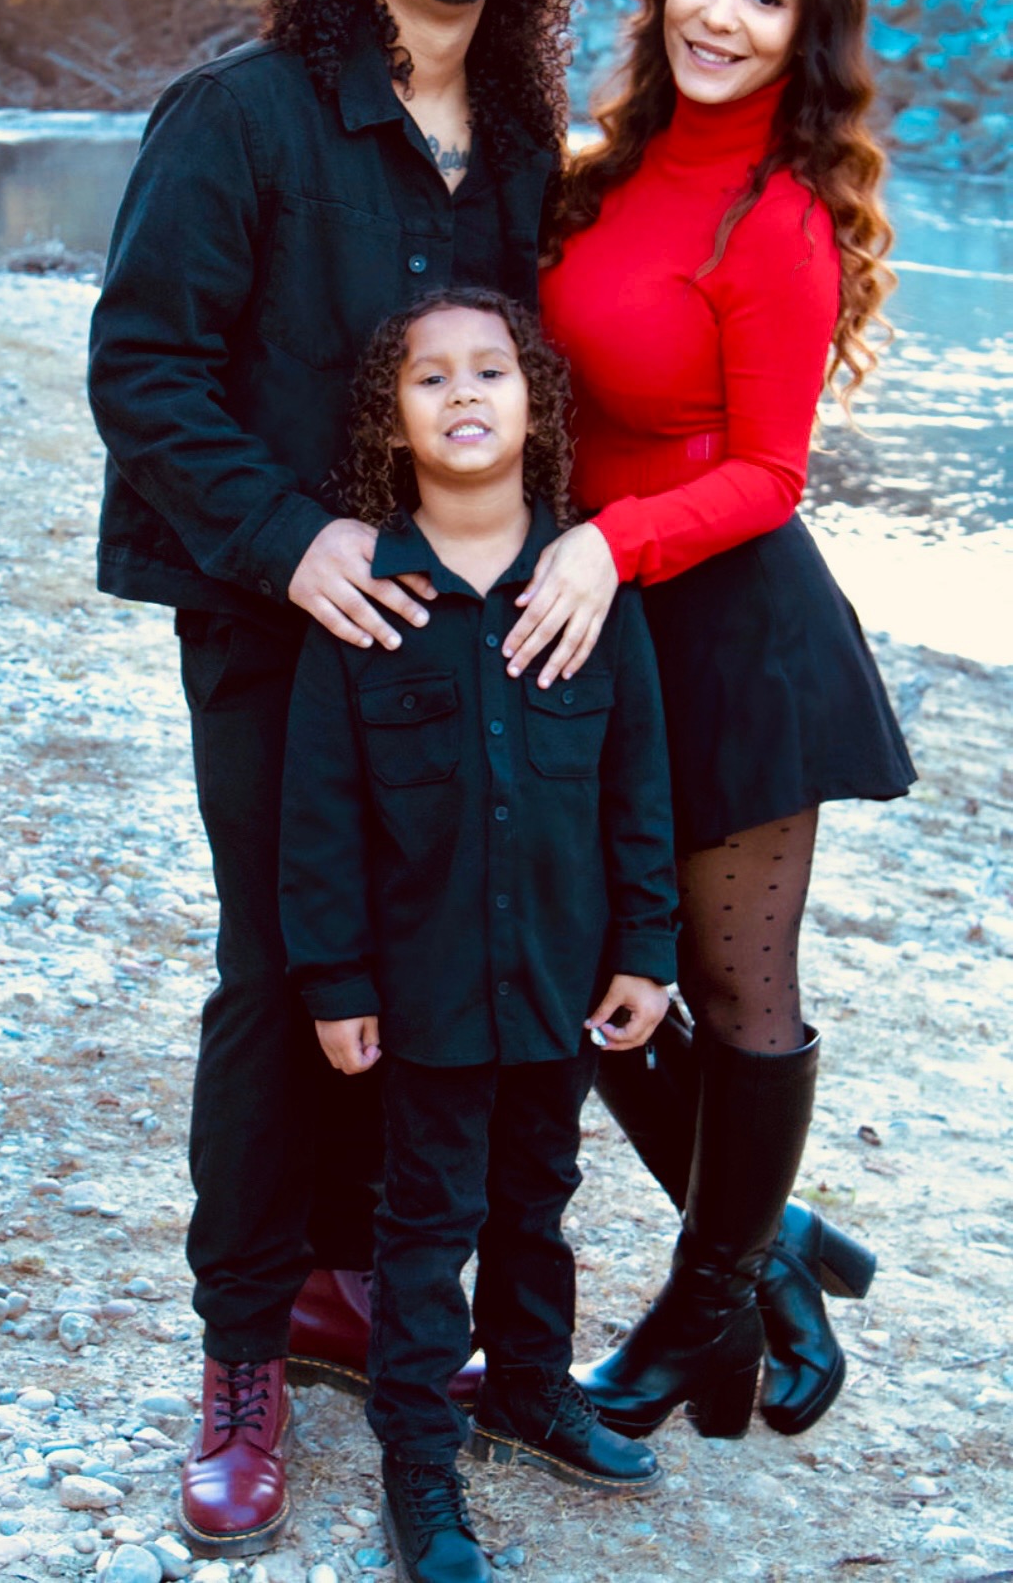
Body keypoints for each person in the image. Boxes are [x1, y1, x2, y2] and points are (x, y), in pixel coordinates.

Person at [86, 0, 629, 1556]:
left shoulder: (525, 143)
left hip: (455, 638)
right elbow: (142, 368)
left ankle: (347, 1283)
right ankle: (244, 1349)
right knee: (282, 966)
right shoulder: (237, 117)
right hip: (273, 622)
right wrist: (295, 535)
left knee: (436, 959)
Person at [505, 0, 915, 1441]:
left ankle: (701, 1302)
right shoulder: (598, 175)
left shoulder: (779, 219)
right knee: (573, 958)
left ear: (805, 35)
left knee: (734, 982)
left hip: (731, 630)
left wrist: (608, 542)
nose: (720, 16)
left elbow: (768, 473)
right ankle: (766, 1249)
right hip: (591, 618)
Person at [281, 289, 676, 1583]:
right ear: (389, 421)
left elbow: (638, 786)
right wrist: (335, 977)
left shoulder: (588, 590)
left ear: (536, 404)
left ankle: (526, 1389)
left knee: (539, 1198)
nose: (462, 391)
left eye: (490, 370)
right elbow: (320, 813)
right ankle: (416, 1453)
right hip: (427, 986)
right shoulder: (367, 606)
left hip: (561, 975)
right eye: (429, 375)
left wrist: (647, 946)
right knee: (426, 1217)